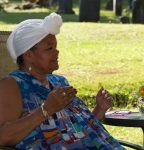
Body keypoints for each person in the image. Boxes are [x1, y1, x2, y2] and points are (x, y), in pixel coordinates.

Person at [0, 13, 125, 150]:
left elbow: (78, 130)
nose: (57, 52)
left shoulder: (59, 81)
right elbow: (4, 137)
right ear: (28, 55)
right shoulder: (12, 85)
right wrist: (47, 109)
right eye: (49, 48)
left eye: (55, 46)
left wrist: (99, 109)